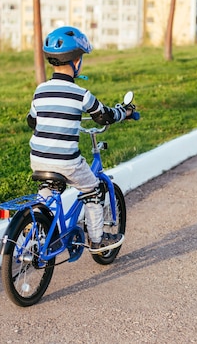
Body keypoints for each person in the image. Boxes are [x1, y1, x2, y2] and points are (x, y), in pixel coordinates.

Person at [26, 26, 131, 253]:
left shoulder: (40, 90)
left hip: (38, 160)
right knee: (92, 188)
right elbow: (105, 116)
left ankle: (38, 229)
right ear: (76, 62)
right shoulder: (81, 94)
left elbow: (32, 121)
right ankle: (96, 239)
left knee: (49, 187)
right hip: (67, 163)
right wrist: (126, 113)